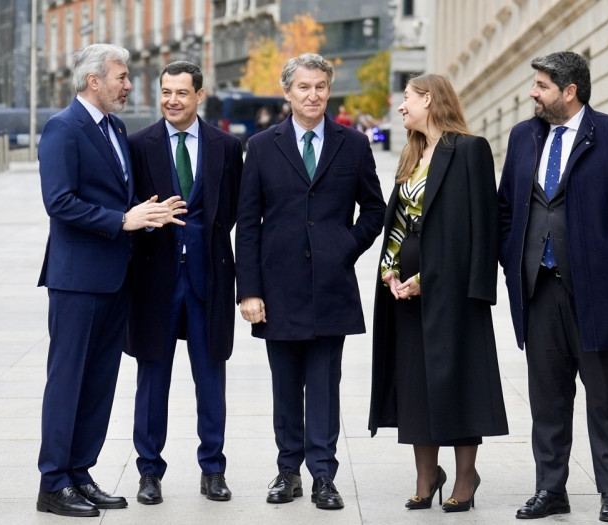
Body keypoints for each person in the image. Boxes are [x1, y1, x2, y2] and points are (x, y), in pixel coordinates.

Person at [497, 51, 608, 523]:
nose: (534, 92)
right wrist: (512, 261)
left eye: (542, 85)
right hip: (538, 288)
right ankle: (551, 489)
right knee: (547, 399)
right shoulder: (523, 136)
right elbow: (506, 208)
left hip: (600, 292)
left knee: (607, 399)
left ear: (569, 91)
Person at [35, 43, 185, 518]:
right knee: (67, 381)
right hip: (77, 280)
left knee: (99, 382)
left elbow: (124, 198)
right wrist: (123, 220)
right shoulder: (63, 128)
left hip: (116, 278)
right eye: (121, 76)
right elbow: (59, 202)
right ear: (93, 80)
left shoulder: (117, 128)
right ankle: (53, 481)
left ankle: (80, 473)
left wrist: (150, 214)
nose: (128, 85)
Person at [235, 53, 385, 511]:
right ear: (287, 92)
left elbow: (375, 211)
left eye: (321, 86)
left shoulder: (353, 144)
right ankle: (287, 472)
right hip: (277, 288)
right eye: (304, 87)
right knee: (286, 385)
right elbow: (249, 222)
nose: (313, 94)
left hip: (330, 286)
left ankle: (323, 475)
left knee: (324, 384)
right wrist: (250, 290)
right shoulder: (262, 146)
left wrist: (344, 246)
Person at [367, 73, 507, 513]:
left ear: (429, 99)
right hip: (405, 293)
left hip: (454, 289)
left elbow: (480, 228)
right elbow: (399, 225)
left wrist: (429, 278)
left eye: (406, 98)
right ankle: (427, 475)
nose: (400, 106)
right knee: (414, 384)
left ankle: (465, 478)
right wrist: (391, 272)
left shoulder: (469, 149)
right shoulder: (413, 153)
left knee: (459, 381)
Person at [126, 61, 244, 505]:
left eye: (181, 92)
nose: (172, 100)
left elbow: (230, 213)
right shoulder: (138, 144)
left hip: (208, 277)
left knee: (211, 377)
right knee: (152, 378)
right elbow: (131, 208)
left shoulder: (227, 147)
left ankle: (213, 470)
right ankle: (149, 472)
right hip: (154, 278)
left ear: (199, 95)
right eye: (165, 92)